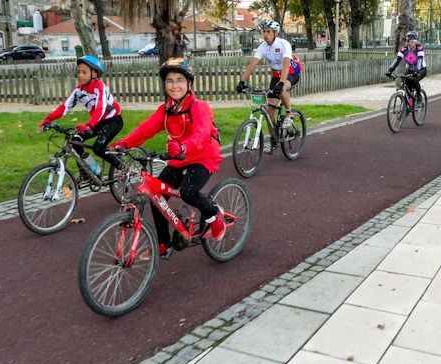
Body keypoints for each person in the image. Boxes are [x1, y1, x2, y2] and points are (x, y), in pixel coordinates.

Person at [111, 58, 224, 259]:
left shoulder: (199, 107)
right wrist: (125, 143)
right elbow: (145, 129)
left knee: (188, 192)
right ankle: (163, 245)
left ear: (189, 83)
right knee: (157, 197)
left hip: (204, 157)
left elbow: (202, 135)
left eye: (180, 80)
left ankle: (215, 215)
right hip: (179, 158)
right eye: (170, 81)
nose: (174, 85)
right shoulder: (165, 111)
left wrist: (182, 146)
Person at [39, 55, 123, 181]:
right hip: (97, 122)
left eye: (84, 72)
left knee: (98, 148)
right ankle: (91, 171)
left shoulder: (100, 87)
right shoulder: (79, 90)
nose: (80, 75)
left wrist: (89, 125)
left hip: (113, 120)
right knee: (75, 141)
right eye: (78, 72)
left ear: (94, 74)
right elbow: (64, 107)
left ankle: (123, 168)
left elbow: (100, 108)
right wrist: (48, 119)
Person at [236, 19, 303, 153]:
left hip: (291, 73)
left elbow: (286, 65)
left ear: (275, 33)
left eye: (268, 32)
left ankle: (289, 113)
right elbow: (252, 65)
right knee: (269, 111)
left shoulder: (284, 44)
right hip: (276, 75)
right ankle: (274, 140)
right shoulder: (263, 47)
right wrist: (242, 82)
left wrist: (282, 82)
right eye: (264, 32)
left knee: (282, 89)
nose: (265, 34)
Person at [385, 31, 427, 104]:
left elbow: (420, 61)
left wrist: (417, 71)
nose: (410, 43)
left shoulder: (419, 48)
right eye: (408, 41)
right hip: (410, 69)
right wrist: (390, 70)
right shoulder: (404, 50)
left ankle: (418, 95)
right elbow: (397, 60)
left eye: (412, 41)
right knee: (406, 84)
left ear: (415, 42)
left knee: (415, 80)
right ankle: (409, 104)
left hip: (421, 69)